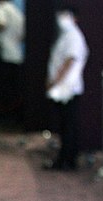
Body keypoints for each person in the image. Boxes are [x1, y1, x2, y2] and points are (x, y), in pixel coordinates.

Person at [44, 6, 88, 171]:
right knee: (65, 125)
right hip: (62, 89)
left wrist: (56, 81)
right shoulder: (66, 36)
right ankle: (65, 158)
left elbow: (70, 60)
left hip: (68, 89)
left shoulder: (74, 37)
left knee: (69, 126)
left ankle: (67, 160)